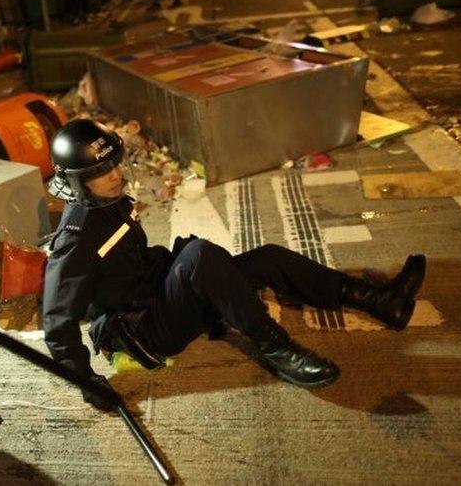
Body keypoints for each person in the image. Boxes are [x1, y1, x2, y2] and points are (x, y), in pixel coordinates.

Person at [41, 121, 427, 409]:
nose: (113, 176)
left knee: (268, 257)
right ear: (76, 182)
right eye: (97, 173)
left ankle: (376, 300)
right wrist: (87, 381)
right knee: (199, 257)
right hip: (145, 328)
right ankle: (275, 348)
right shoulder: (75, 239)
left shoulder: (112, 201)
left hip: (155, 290)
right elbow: (57, 321)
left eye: (112, 165)